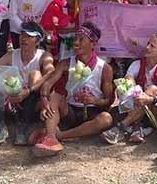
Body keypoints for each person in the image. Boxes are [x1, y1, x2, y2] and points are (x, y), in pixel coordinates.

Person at [34, 22, 114, 157]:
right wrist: (44, 99)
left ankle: (59, 135)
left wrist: (94, 100)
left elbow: (108, 101)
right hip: (69, 110)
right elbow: (47, 85)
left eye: (81, 40)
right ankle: (51, 137)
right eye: (75, 39)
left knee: (106, 119)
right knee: (54, 96)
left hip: (91, 112)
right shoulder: (65, 63)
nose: (76, 43)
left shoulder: (105, 68)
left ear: (93, 44)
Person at [0, 21, 54, 146]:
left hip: (32, 103)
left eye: (29, 36)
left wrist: (28, 91)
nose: (23, 39)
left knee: (35, 74)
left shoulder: (44, 56)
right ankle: (0, 126)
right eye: (22, 35)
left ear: (37, 41)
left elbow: (51, 72)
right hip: (11, 102)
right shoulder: (12, 55)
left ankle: (23, 125)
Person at [102, 33, 157, 144]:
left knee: (153, 89)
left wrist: (151, 99)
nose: (147, 47)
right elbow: (128, 80)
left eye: (152, 46)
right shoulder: (137, 64)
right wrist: (134, 89)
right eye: (148, 44)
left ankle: (121, 127)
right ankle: (137, 127)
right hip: (137, 109)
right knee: (130, 83)